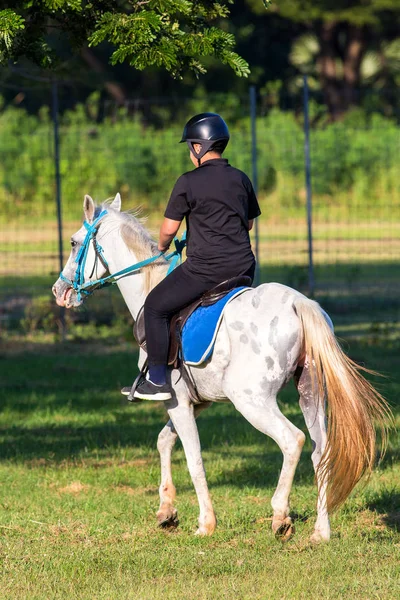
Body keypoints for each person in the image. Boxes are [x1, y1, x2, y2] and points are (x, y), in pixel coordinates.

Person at [132, 112, 261, 401]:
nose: (190, 152)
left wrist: (163, 247)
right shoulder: (240, 178)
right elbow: (248, 222)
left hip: (206, 270)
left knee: (154, 306)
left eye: (190, 146)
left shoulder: (188, 182)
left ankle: (157, 381)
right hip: (244, 267)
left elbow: (167, 229)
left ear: (199, 147)